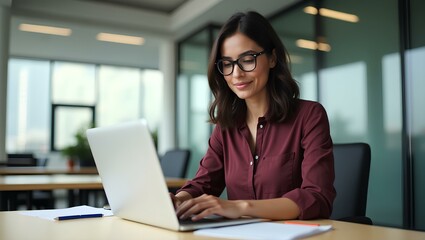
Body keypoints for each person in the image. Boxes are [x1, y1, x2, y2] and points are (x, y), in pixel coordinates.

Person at [171, 11, 336, 221]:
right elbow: (204, 183)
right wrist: (179, 200)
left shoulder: (309, 116)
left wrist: (241, 207)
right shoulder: (226, 126)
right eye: (228, 64)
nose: (237, 74)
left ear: (273, 58)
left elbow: (317, 197)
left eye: (247, 59)